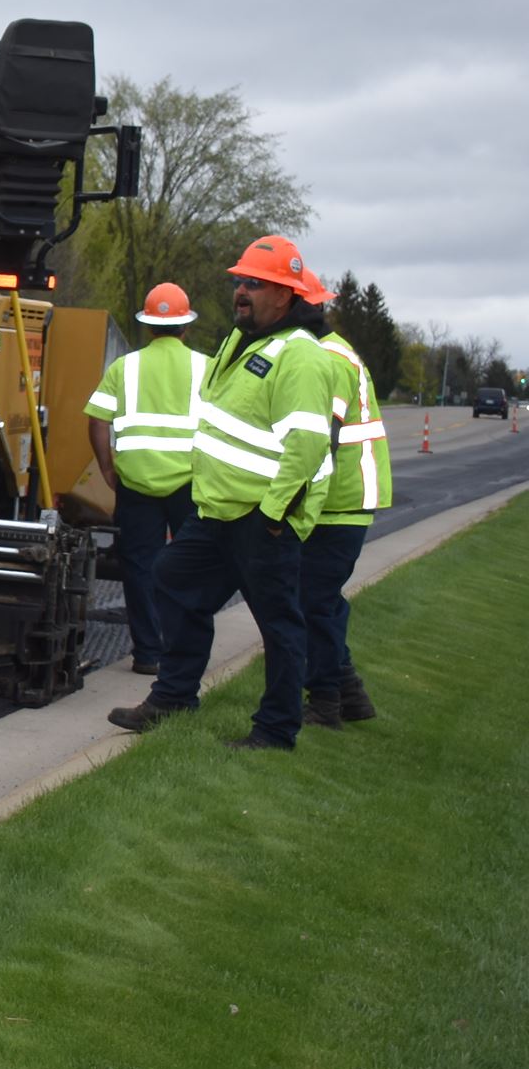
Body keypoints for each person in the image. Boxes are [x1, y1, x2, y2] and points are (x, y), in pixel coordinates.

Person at [106, 237, 337, 751]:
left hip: (261, 517)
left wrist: (273, 515)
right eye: (239, 281)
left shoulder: (300, 356)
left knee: (278, 624)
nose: (241, 291)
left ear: (285, 295)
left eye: (255, 283)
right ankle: (173, 697)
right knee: (172, 578)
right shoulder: (241, 339)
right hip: (217, 512)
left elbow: (307, 446)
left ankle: (275, 731)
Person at [82, 283, 208, 674]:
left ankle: (148, 654)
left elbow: (97, 420)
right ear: (186, 326)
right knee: (191, 566)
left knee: (139, 567)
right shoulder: (207, 368)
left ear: (148, 326)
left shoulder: (125, 367)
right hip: (190, 482)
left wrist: (107, 467)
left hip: (135, 482)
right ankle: (183, 649)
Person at [303, 313, 392, 727]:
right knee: (320, 601)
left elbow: (324, 438)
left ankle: (326, 702)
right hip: (342, 501)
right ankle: (349, 694)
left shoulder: (329, 359)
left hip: (340, 501)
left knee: (315, 603)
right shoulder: (332, 351)